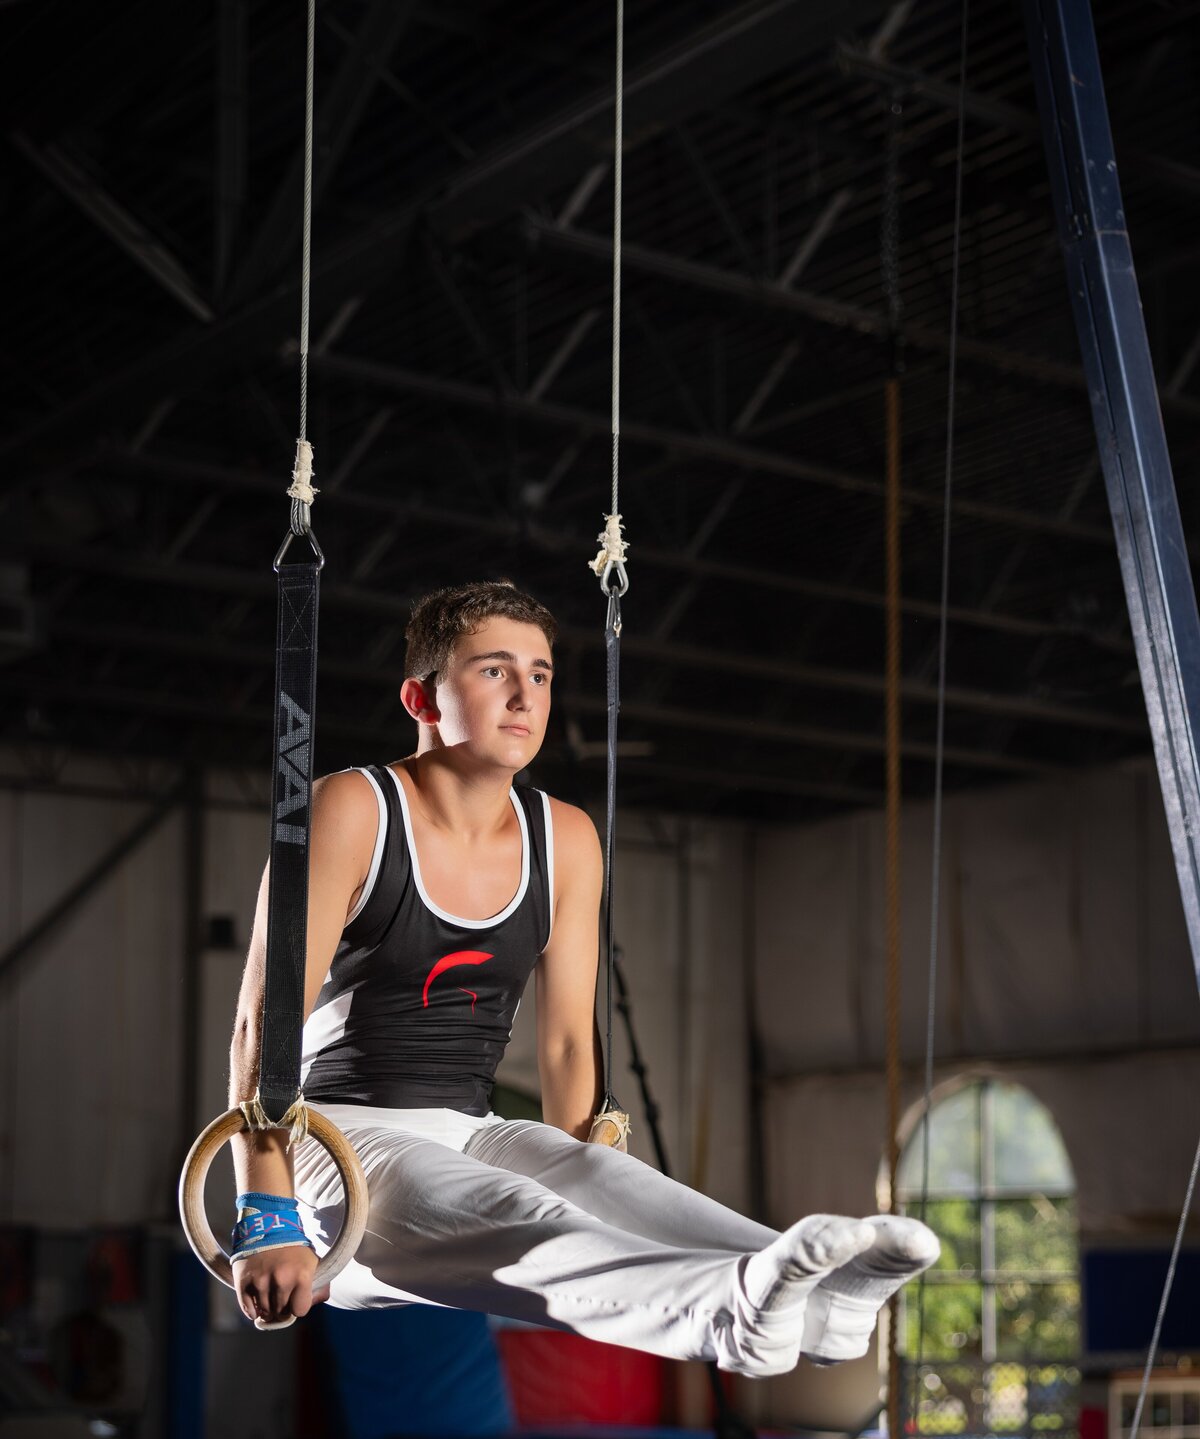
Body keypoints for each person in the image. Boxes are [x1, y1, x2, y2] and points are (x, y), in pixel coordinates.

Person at [228, 580, 937, 1370]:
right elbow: (265, 1017)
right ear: (421, 698)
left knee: (612, 1184)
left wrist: (592, 1168)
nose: (523, 694)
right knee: (521, 1207)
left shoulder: (564, 836)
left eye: (539, 673)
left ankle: (826, 1298)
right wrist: (267, 1207)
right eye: (494, 670)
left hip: (471, 1131)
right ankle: (727, 1314)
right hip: (333, 1140)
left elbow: (567, 1043)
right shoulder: (352, 808)